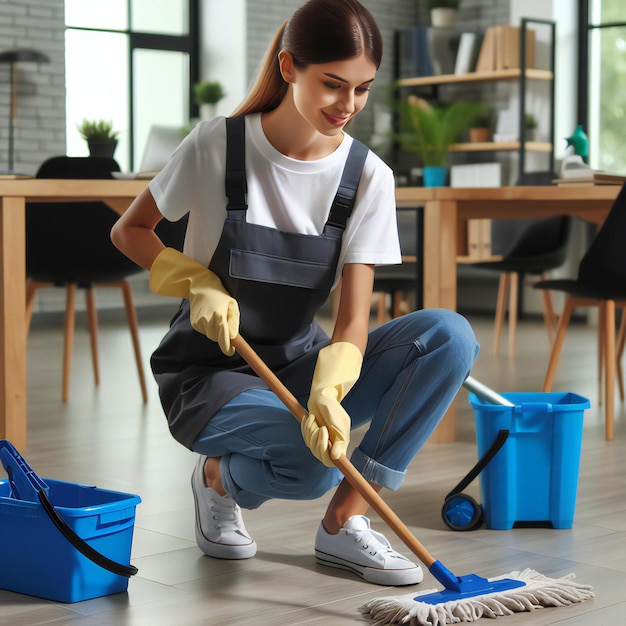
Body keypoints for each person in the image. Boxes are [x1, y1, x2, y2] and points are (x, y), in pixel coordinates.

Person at [111, 0, 479, 587]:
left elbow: (354, 316)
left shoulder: (367, 176)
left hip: (299, 365)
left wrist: (331, 387)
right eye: (333, 85)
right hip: (211, 377)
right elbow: (129, 229)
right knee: (314, 467)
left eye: (362, 89)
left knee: (448, 337)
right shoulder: (219, 146)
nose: (348, 106)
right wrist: (195, 279)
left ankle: (344, 524)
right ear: (288, 67)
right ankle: (215, 479)